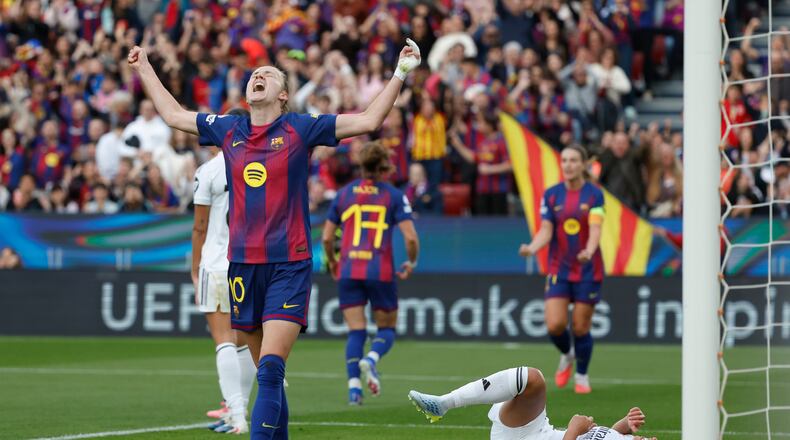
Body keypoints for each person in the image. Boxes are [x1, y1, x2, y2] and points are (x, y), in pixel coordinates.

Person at [127, 37, 421, 439]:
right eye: (254, 75)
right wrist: (143, 66)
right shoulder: (228, 130)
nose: (258, 76)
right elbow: (175, 114)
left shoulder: (301, 128)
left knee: (269, 368)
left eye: (268, 74)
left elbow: (368, 121)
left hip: (289, 263)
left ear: (283, 95)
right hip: (243, 266)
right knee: (269, 376)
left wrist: (400, 72)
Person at [321, 142, 419, 405]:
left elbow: (327, 238)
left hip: (349, 268)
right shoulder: (394, 195)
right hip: (380, 269)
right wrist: (411, 262)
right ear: (383, 164)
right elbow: (410, 237)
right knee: (386, 328)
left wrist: (332, 261)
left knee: (356, 332)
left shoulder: (343, 195)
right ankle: (371, 359)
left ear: (361, 164)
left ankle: (354, 389)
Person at [518, 145, 604, 394]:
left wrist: (588, 250)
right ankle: (567, 354)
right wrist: (532, 248)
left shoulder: (594, 195)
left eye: (573, 160)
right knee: (555, 325)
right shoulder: (552, 195)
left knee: (580, 327)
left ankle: (582, 375)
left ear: (583, 164)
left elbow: (596, 229)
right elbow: (546, 230)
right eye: (564, 160)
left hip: (589, 269)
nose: (567, 164)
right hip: (559, 268)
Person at [192, 108, 257, 434]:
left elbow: (200, 227)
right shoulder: (258, 166)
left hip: (216, 262)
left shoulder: (209, 171)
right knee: (244, 341)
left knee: (223, 341)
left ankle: (236, 415)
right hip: (249, 263)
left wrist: (194, 270)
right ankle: (238, 410)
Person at [408, 365, 655, 440]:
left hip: (525, 437)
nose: (654, 439)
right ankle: (443, 403)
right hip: (534, 430)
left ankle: (445, 403)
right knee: (530, 380)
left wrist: (574, 430)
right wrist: (622, 426)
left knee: (533, 379)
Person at [449, 111, 512, 216]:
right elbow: (473, 158)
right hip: (482, 190)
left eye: (481, 123)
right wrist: (457, 144)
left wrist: (490, 169)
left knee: (499, 224)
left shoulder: (502, 141)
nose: (478, 126)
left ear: (490, 125)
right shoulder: (483, 142)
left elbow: (511, 165)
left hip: (498, 191)